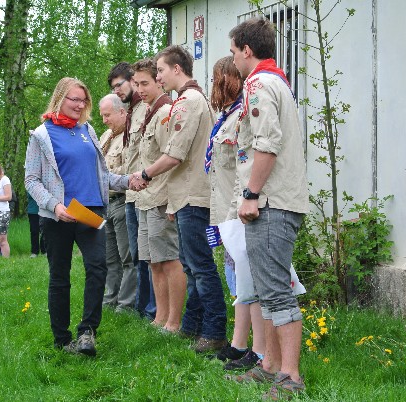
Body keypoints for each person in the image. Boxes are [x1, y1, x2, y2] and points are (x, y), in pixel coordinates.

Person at [25, 77, 145, 357]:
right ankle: (62, 339)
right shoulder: (41, 135)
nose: (80, 105)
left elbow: (102, 176)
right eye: (74, 100)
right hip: (58, 217)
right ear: (60, 99)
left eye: (83, 100)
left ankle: (87, 332)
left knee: (98, 268)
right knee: (60, 276)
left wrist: (128, 181)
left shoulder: (87, 130)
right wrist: (54, 205)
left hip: (91, 213)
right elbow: (31, 180)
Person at [229, 17, 309, 400]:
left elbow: (267, 143)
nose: (233, 59)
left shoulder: (259, 84)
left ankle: (290, 376)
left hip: (270, 202)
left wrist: (251, 193)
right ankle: (270, 365)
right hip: (276, 200)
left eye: (233, 51)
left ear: (247, 50)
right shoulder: (277, 81)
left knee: (275, 289)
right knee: (265, 288)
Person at [132, 45, 228, 353]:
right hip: (186, 194)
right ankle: (192, 326)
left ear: (177, 69)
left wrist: (144, 174)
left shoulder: (188, 102)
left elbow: (175, 154)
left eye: (160, 70)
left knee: (200, 266)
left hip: (192, 194)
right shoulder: (191, 100)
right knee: (192, 265)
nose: (158, 76)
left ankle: (214, 331)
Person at [206, 56, 265, 370]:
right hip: (225, 212)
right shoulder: (226, 117)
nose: (213, 84)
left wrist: (232, 214)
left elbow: (244, 170)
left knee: (249, 282)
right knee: (237, 282)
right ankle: (239, 344)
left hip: (239, 211)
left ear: (228, 79)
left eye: (216, 77)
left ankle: (259, 350)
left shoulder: (244, 115)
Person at [132, 58, 186, 332]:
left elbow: (170, 157)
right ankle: (160, 317)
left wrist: (171, 202)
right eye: (136, 84)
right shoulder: (147, 111)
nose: (139, 89)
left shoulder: (165, 112)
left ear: (158, 81)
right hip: (145, 199)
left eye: (145, 83)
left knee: (168, 259)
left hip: (161, 198)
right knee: (152, 261)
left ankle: (174, 321)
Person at [109, 62, 156, 320]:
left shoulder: (148, 108)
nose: (117, 91)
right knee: (138, 255)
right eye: (113, 88)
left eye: (120, 85)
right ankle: (141, 308)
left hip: (146, 193)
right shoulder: (132, 112)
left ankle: (152, 311)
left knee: (150, 256)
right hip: (130, 193)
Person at [99, 94, 137, 311]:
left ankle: (126, 304)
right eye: (102, 116)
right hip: (106, 203)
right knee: (109, 257)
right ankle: (110, 299)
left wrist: (107, 176)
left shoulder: (131, 136)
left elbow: (130, 170)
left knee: (127, 256)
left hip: (123, 200)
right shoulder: (106, 136)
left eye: (107, 115)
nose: (104, 120)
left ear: (122, 112)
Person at [27, 193, 46, 257]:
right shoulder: (31, 186)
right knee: (34, 231)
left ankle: (44, 250)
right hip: (33, 211)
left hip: (44, 210)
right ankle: (34, 252)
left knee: (44, 230)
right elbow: (31, 194)